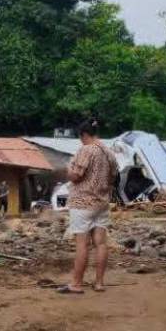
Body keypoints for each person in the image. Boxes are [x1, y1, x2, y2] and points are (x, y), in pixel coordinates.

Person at [59, 120, 118, 294]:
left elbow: (75, 176)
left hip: (83, 203)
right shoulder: (109, 152)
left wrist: (68, 168)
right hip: (102, 202)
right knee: (101, 243)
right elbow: (114, 176)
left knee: (82, 244)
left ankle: (76, 284)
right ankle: (99, 283)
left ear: (84, 134)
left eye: (81, 137)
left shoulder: (86, 150)